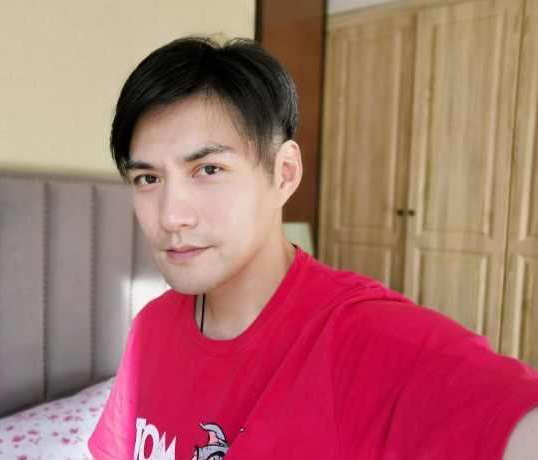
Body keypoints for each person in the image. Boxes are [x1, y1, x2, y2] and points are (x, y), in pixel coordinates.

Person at [89, 37, 538, 459]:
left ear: (284, 173)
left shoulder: (366, 341)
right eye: (148, 178)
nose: (171, 216)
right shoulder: (150, 330)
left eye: (208, 169)